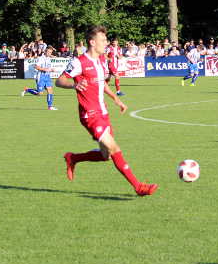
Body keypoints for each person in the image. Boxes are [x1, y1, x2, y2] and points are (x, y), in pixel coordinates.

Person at [56, 26, 157, 196]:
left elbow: (101, 83)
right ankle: (138, 187)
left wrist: (116, 99)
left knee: (106, 155)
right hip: (90, 115)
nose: (106, 43)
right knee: (114, 148)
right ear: (92, 42)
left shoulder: (102, 60)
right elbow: (59, 81)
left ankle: (73, 158)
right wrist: (74, 84)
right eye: (103, 40)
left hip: (103, 113)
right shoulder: (79, 61)